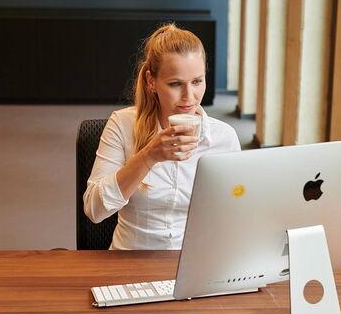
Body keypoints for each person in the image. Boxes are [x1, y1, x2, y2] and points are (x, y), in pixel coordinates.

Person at [83, 24, 241, 250]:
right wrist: (148, 156)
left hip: (193, 264)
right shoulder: (123, 124)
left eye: (197, 81)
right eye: (175, 84)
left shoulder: (223, 138)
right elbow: (95, 210)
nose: (189, 97)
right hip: (130, 261)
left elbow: (234, 215)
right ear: (151, 82)